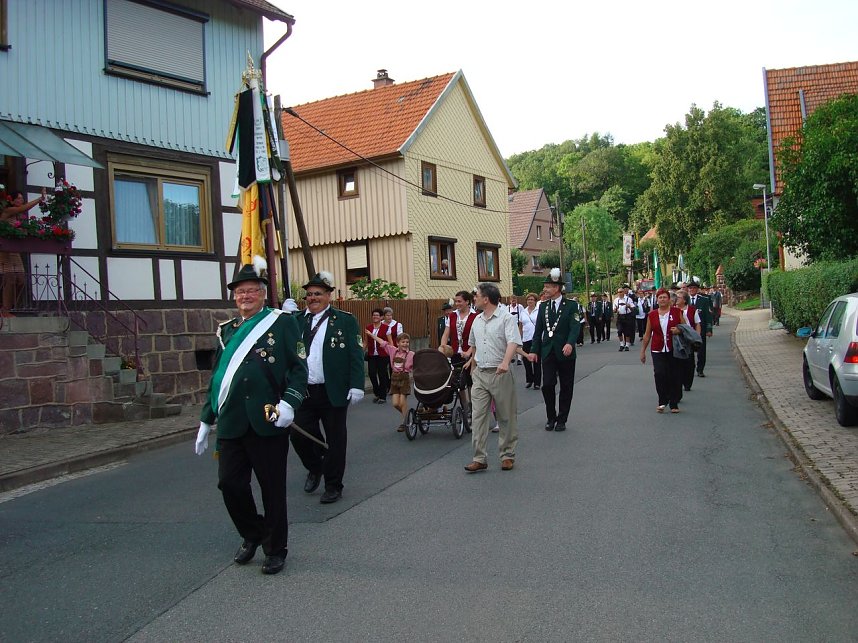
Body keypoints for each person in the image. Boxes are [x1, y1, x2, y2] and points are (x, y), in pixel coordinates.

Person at [195, 261, 308, 575]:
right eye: (240, 292)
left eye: (251, 291)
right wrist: (207, 420)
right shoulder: (226, 331)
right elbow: (218, 378)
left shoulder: (282, 323)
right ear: (234, 297)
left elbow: (299, 370)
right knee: (229, 484)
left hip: (268, 418)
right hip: (232, 421)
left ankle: (276, 548)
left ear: (262, 294)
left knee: (272, 488)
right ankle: (253, 533)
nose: (245, 296)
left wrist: (289, 403)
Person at [291, 271, 365, 504]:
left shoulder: (345, 320)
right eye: (309, 295)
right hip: (304, 391)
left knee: (335, 440)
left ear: (328, 296)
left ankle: (333, 485)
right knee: (299, 434)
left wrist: (357, 385)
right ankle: (315, 467)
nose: (312, 298)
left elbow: (355, 354)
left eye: (318, 294)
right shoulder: (295, 321)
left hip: (333, 389)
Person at [461, 282, 521, 472]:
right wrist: (472, 364)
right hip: (480, 375)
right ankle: (479, 458)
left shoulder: (506, 318)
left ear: (486, 299)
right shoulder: (476, 320)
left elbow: (513, 342)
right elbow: (474, 346)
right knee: (478, 417)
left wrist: (505, 362)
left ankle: (507, 455)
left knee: (505, 416)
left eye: (476, 295)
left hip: (500, 373)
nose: (474, 298)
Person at [527, 268, 581, 432]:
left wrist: (570, 343)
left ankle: (562, 419)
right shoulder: (543, 307)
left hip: (566, 352)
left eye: (548, 286)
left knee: (566, 386)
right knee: (547, 385)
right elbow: (538, 331)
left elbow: (575, 326)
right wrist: (534, 350)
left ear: (557, 288)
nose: (545, 289)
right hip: (548, 351)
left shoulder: (571, 306)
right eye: (545, 287)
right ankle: (551, 416)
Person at [639, 288, 686, 414]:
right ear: (657, 300)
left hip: (673, 348)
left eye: (665, 297)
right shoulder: (652, 315)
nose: (663, 299)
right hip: (657, 349)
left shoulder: (676, 312)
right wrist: (643, 351)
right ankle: (662, 401)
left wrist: (679, 330)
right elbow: (647, 334)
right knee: (659, 374)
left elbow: (685, 328)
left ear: (669, 300)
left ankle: (674, 403)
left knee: (674, 375)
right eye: (660, 297)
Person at [1, 189, 45, 317]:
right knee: (9, 279)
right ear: (12, 200)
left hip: (14, 252)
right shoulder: (8, 211)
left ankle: (11, 307)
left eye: (22, 198)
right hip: (5, 251)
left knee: (21, 280)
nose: (21, 201)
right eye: (19, 198)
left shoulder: (19, 217)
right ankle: (5, 310)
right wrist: (39, 199)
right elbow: (24, 208)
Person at [366, 331, 414, 432]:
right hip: (394, 379)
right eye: (403, 342)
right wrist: (371, 335)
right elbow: (382, 342)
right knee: (396, 404)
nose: (405, 344)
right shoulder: (393, 350)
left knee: (402, 402)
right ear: (398, 343)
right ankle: (408, 417)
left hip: (404, 378)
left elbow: (419, 364)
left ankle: (404, 422)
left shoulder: (411, 354)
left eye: (407, 342)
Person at [439, 290, 478, 410]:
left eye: (459, 301)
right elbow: (446, 334)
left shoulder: (475, 316)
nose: (457, 304)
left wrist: (470, 352)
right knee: (458, 383)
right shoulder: (452, 315)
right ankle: (465, 406)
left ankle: (473, 406)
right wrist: (443, 347)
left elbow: (477, 337)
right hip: (455, 352)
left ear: (467, 302)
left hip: (469, 352)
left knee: (471, 381)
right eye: (456, 301)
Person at [674, 290, 701, 393]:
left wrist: (697, 337)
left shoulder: (692, 310)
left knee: (689, 362)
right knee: (678, 361)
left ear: (684, 300)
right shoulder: (673, 310)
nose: (676, 299)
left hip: (689, 338)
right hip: (678, 338)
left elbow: (697, 323)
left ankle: (687, 383)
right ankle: (679, 382)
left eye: (679, 297)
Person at [687, 280, 713, 376]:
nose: (692, 290)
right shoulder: (685, 300)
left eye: (694, 288)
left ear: (697, 289)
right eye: (690, 288)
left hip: (700, 329)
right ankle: (690, 368)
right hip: (689, 330)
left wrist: (709, 329)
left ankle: (700, 369)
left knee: (701, 351)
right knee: (689, 351)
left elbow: (708, 316)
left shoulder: (704, 300)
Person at [365, 308, 390, 404]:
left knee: (382, 375)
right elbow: (366, 342)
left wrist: (391, 353)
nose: (375, 317)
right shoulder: (368, 327)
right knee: (371, 374)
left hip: (383, 355)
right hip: (372, 355)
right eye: (374, 315)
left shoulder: (386, 328)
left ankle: (382, 396)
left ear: (381, 317)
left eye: (377, 315)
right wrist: (360, 352)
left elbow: (390, 342)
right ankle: (377, 392)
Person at [520, 292, 541, 389]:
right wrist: (520, 337)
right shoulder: (523, 312)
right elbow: (520, 325)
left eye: (532, 300)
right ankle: (529, 379)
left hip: (536, 339)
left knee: (536, 360)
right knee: (526, 360)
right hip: (526, 339)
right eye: (528, 299)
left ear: (535, 301)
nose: (530, 301)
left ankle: (537, 382)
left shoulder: (539, 310)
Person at [613, 286, 635, 351]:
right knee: (619, 331)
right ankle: (621, 344)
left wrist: (629, 307)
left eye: (621, 292)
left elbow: (633, 308)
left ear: (623, 292)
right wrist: (615, 309)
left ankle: (627, 345)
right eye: (618, 292)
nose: (619, 293)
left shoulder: (628, 299)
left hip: (627, 316)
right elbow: (614, 310)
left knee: (627, 332)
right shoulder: (616, 300)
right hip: (620, 317)